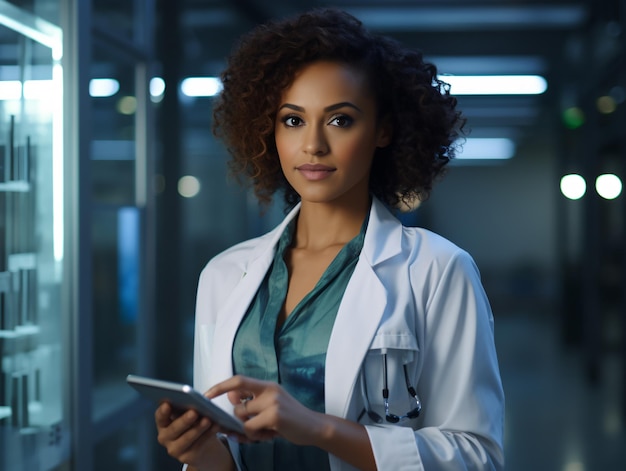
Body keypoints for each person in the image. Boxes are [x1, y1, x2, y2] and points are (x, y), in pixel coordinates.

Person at [155, 8, 505, 471]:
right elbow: (229, 457)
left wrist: (317, 427)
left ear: (383, 130)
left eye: (340, 120)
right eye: (293, 120)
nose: (313, 145)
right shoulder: (224, 275)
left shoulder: (437, 269)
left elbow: (477, 456)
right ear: (268, 130)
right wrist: (200, 451)